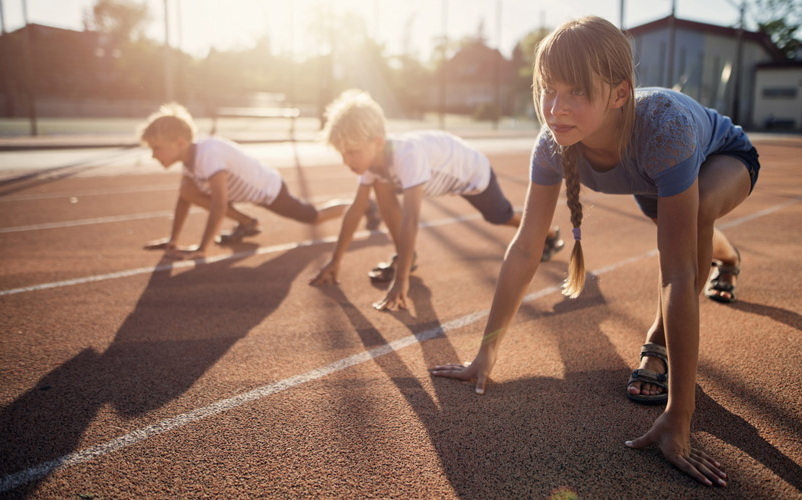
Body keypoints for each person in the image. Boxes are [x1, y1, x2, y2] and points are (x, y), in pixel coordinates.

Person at [431, 16, 761, 487]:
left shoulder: (663, 130)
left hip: (722, 158)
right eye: (548, 89)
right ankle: (728, 258)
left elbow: (678, 277)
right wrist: (484, 355)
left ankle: (658, 342)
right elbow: (526, 248)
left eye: (577, 93)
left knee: (698, 217)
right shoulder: (551, 145)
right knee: (689, 230)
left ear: (621, 93)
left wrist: (680, 415)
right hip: (656, 178)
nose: (556, 108)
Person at [309, 89, 565, 310]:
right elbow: (356, 209)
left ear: (377, 142)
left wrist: (401, 281)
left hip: (472, 174)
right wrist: (335, 260)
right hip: (442, 170)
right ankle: (406, 257)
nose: (346, 161)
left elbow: (411, 220)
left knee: (500, 217)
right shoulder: (371, 163)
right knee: (381, 186)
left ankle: (547, 234)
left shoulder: (406, 156)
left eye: (352, 152)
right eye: (342, 153)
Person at [139, 103, 366, 260]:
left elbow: (219, 203)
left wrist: (202, 249)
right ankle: (247, 223)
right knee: (187, 190)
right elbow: (184, 200)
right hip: (244, 194)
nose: (153, 155)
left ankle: (364, 207)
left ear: (179, 142)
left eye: (157, 148)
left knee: (314, 218)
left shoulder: (208, 154)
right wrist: (173, 240)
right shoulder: (189, 160)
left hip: (269, 190)